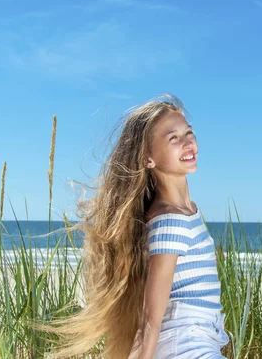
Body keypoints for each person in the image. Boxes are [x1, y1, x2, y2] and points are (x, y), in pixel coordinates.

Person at [49, 95, 228, 358]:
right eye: (173, 138)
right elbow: (149, 322)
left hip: (196, 343)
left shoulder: (185, 212)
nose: (188, 142)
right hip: (186, 348)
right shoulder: (171, 221)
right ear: (148, 158)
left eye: (188, 132)